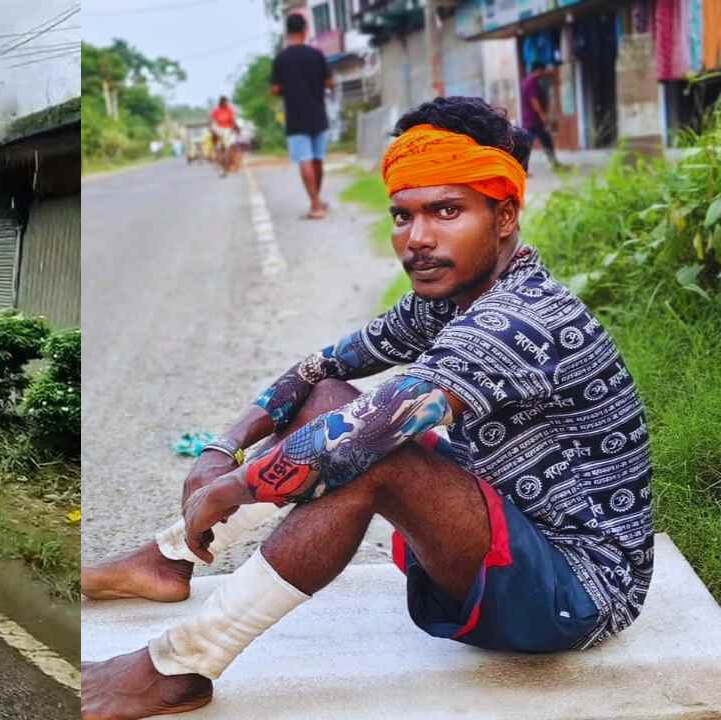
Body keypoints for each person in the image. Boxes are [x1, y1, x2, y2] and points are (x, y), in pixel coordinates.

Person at [80, 97, 652, 719]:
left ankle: (177, 667)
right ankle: (172, 558)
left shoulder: (521, 317)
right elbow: (319, 368)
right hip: (502, 531)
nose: (418, 240)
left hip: (575, 592)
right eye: (402, 216)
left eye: (447, 212)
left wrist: (232, 488)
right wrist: (225, 446)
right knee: (331, 404)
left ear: (506, 214)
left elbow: (369, 434)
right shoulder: (450, 291)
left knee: (375, 455)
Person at [271, 12, 333, 219]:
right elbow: (329, 83)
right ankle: (318, 200)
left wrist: (287, 89)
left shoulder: (281, 59)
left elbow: (275, 89)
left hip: (296, 117)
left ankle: (315, 204)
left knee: (305, 160)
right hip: (318, 114)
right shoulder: (317, 55)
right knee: (317, 159)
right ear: (306, 31)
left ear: (287, 32)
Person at [520, 62, 568, 171]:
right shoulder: (532, 82)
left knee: (537, 143)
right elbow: (534, 100)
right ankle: (523, 168)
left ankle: (523, 168)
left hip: (529, 119)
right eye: (543, 70)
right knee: (540, 142)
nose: (544, 73)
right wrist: (543, 116)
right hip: (534, 120)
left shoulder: (527, 81)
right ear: (539, 70)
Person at [208, 96, 240, 174]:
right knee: (215, 131)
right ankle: (217, 150)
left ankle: (231, 160)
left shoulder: (229, 110)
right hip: (219, 129)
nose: (225, 103)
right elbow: (212, 120)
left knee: (230, 144)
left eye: (226, 102)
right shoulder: (216, 111)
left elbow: (233, 121)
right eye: (224, 102)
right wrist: (212, 127)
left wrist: (236, 128)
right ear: (221, 102)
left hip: (227, 129)